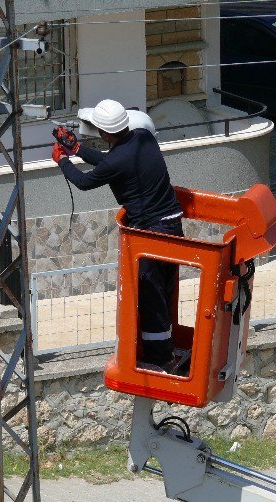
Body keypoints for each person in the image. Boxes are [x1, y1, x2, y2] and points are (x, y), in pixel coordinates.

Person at [52, 99, 183, 371]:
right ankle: (166, 351)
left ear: (104, 132)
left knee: (151, 293)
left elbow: (85, 181)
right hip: (172, 224)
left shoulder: (118, 159)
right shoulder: (144, 138)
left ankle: (161, 359)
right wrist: (78, 149)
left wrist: (63, 159)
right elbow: (111, 161)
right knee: (163, 290)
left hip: (152, 232)